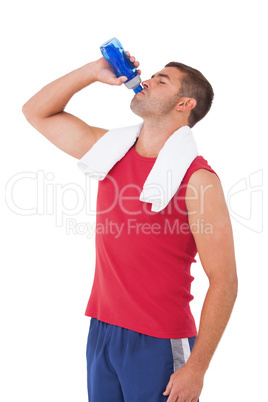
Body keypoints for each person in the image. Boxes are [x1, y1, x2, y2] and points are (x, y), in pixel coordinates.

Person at [22, 50, 238, 402]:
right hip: (103, 329)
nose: (148, 81)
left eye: (162, 80)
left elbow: (225, 281)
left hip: (159, 340)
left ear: (184, 104)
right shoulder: (109, 152)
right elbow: (35, 112)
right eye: (152, 76)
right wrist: (93, 71)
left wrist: (197, 368)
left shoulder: (198, 180)